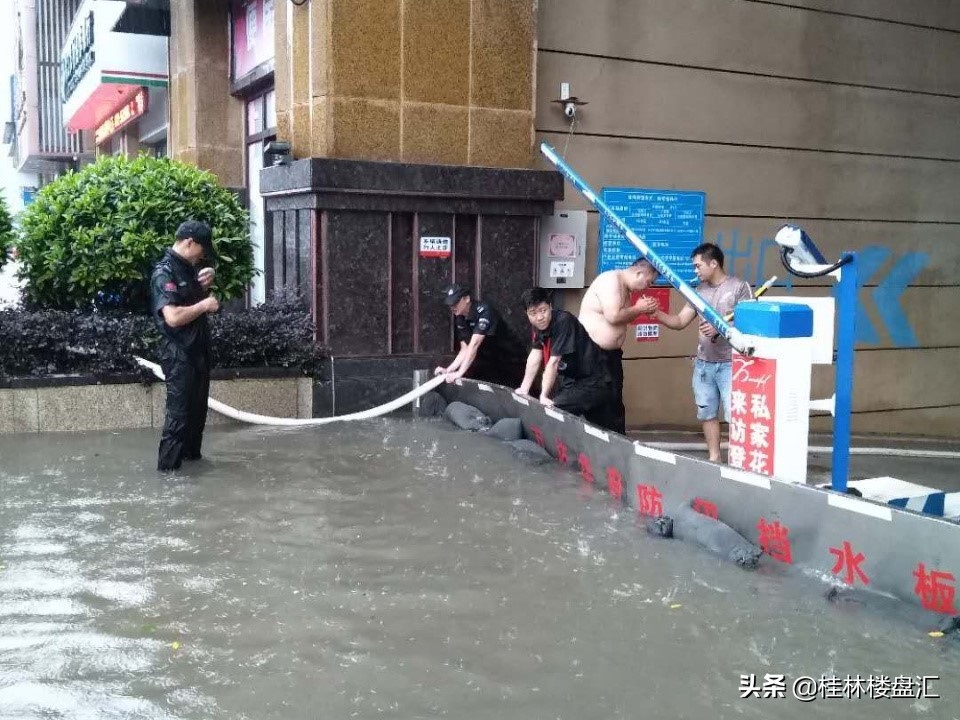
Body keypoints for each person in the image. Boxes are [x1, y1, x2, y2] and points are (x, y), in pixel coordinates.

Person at [654, 243, 751, 463]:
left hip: (731, 363)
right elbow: (679, 321)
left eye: (698, 266)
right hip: (704, 363)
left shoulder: (739, 287)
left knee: (736, 415)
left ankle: (739, 461)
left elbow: (751, 322)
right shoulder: (699, 291)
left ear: (713, 263)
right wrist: (656, 313)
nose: (695, 271)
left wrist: (721, 327)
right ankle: (714, 459)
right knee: (707, 413)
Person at [150, 220, 220, 471]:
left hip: (198, 353)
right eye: (202, 249)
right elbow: (173, 317)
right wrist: (204, 305)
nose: (203, 256)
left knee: (196, 419)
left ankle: (192, 472)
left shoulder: (187, 269)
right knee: (178, 420)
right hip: (178, 355)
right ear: (190, 242)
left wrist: (205, 282)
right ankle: (168, 479)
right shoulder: (164, 272)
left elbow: (187, 297)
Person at [578, 257, 660, 434]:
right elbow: (613, 316)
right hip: (592, 353)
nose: (649, 286)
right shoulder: (611, 280)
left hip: (610, 354)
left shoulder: (626, 289)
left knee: (614, 402)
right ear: (639, 273)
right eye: (649, 281)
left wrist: (642, 309)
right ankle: (599, 442)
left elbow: (623, 318)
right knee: (599, 402)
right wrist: (639, 308)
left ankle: (615, 442)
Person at [516, 287, 616, 431]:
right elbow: (535, 355)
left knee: (555, 408)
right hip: (573, 381)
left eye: (543, 311)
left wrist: (544, 396)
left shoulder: (564, 321)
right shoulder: (539, 325)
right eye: (533, 313)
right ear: (526, 313)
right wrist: (524, 388)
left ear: (550, 306)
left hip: (594, 381)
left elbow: (554, 362)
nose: (539, 317)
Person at [434, 284, 527, 388]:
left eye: (455, 303)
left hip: (511, 360)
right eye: (450, 304)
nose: (452, 307)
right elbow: (465, 348)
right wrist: (449, 370)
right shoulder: (460, 317)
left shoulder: (484, 311)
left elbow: (474, 345)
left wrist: (459, 373)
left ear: (467, 299)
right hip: (491, 362)